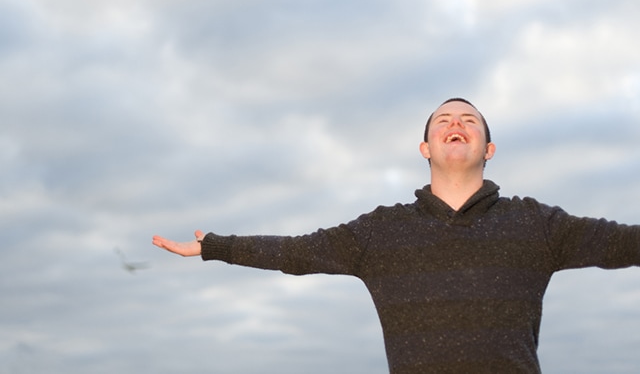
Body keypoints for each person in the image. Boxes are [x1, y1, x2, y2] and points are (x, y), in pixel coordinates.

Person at [152, 98, 640, 374]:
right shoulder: (379, 233)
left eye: (469, 120)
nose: (456, 123)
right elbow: (297, 251)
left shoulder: (537, 224)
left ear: (488, 148)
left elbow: (624, 242)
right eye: (444, 120)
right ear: (425, 146)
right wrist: (216, 247)